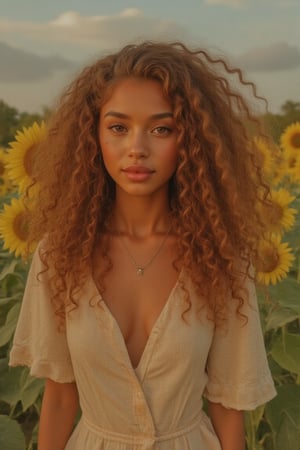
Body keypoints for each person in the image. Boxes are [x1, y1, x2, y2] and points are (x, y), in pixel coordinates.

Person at [9, 41, 276, 450]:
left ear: (191, 141)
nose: (137, 148)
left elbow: (227, 407)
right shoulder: (60, 255)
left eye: (161, 128)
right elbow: (60, 398)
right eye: (118, 127)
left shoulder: (221, 258)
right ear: (93, 135)